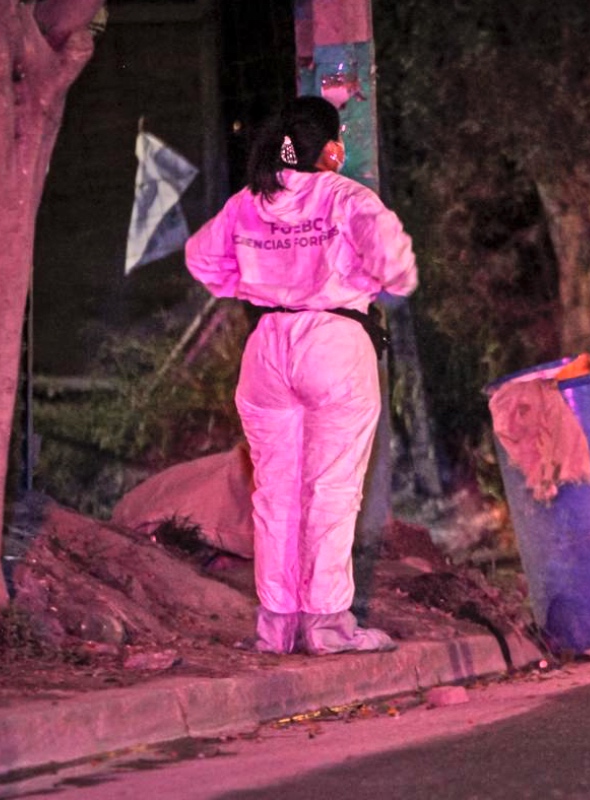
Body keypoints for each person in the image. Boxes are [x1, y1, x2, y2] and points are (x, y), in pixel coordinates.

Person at [185, 96, 418, 655]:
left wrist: (256, 286)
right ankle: (328, 624)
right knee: (330, 489)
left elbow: (201, 258)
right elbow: (398, 269)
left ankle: (276, 627)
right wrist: (359, 280)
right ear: (331, 148)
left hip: (268, 344)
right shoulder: (346, 197)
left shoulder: (250, 201)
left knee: (275, 494)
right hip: (334, 341)